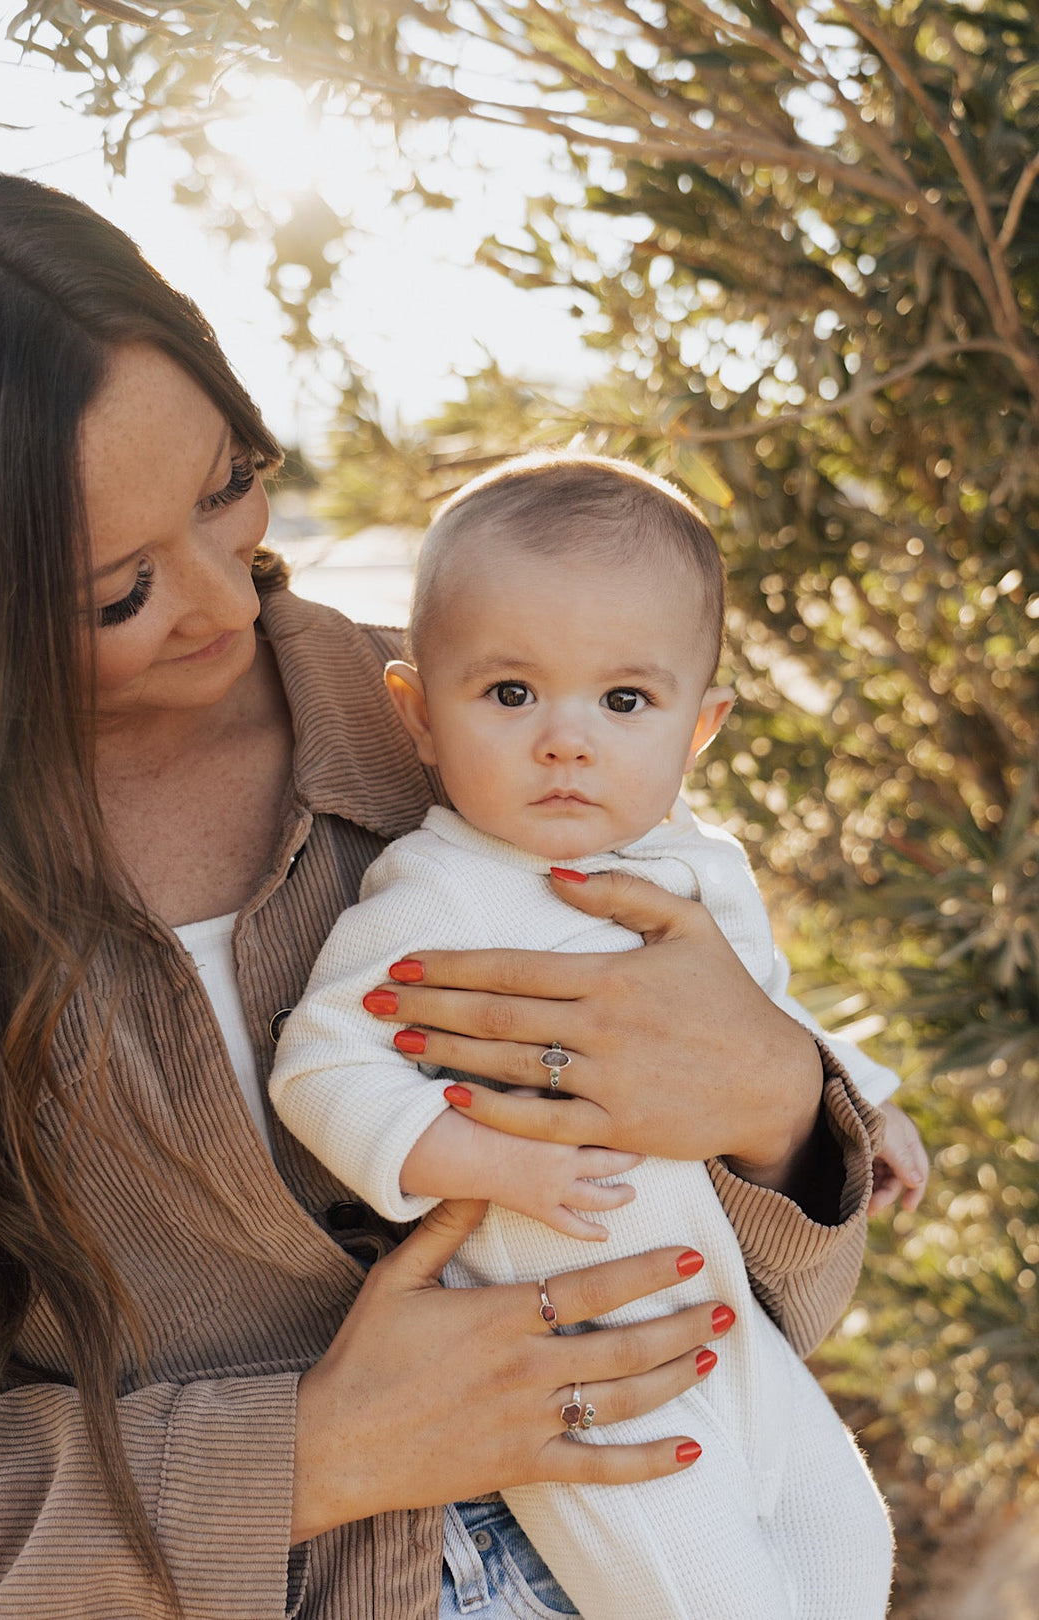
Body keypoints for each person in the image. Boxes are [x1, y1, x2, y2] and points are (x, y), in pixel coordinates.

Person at [0, 157, 885, 1620]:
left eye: (231, 487)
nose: (223, 597)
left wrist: (783, 1114)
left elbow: (769, 1307)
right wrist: (305, 1457)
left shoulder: (500, 717)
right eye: (115, 594)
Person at [270, 455, 927, 1619]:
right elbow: (320, 1067)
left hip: (721, 1326)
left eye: (624, 703)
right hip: (566, 1370)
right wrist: (483, 1159)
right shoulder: (438, 893)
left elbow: (771, 1008)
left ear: (700, 725)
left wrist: (863, 1100)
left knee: (845, 1545)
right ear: (417, 716)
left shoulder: (693, 868)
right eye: (511, 694)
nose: (565, 742)